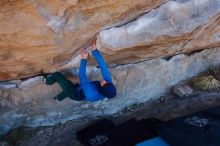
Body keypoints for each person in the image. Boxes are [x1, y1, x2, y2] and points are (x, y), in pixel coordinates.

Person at [43, 41, 117, 101]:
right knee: (72, 86)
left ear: (102, 89)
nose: (104, 81)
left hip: (74, 94)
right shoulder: (108, 85)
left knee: (58, 76)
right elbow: (103, 66)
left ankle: (47, 81)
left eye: (104, 84)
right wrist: (94, 51)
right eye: (107, 82)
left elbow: (82, 76)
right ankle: (58, 98)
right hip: (82, 90)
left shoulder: (90, 92)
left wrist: (84, 59)